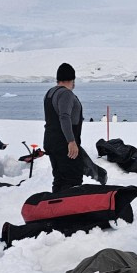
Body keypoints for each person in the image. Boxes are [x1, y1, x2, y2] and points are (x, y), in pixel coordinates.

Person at [43, 63, 86, 192]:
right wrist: (71, 141)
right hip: (64, 143)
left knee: (60, 178)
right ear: (72, 79)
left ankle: (56, 208)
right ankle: (70, 209)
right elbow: (64, 117)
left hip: (51, 140)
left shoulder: (50, 93)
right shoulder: (66, 94)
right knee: (73, 178)